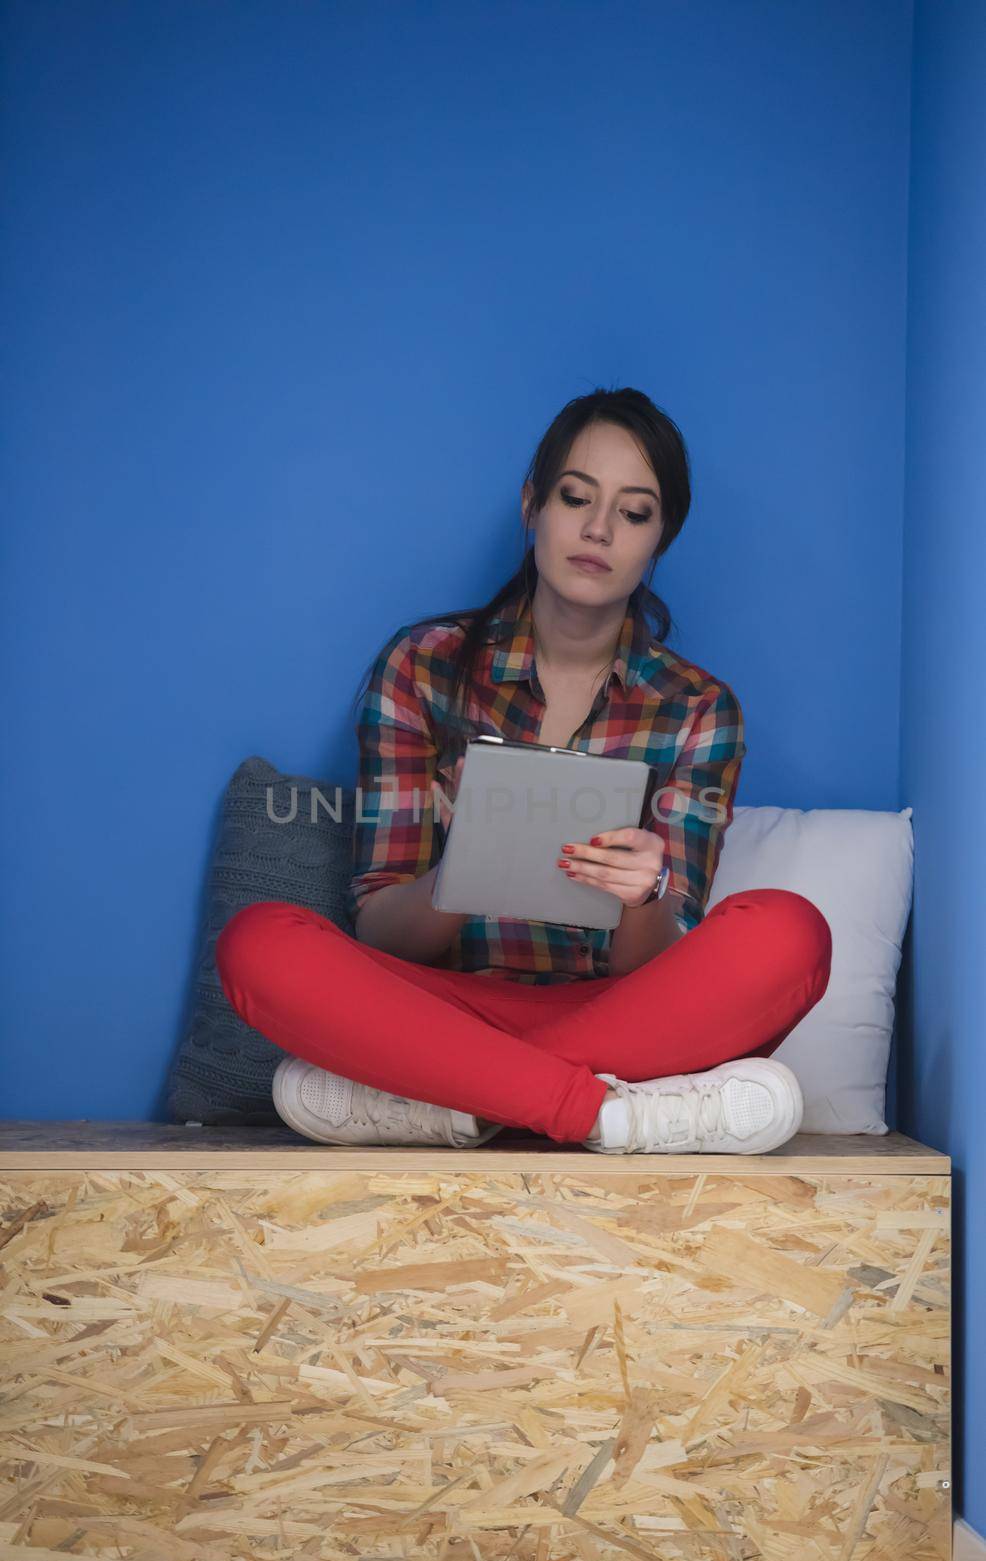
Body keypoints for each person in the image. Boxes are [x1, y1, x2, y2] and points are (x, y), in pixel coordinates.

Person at [215, 387, 832, 1154]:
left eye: (634, 513)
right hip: (442, 1010)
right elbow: (384, 934)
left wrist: (645, 894)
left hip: (617, 1013)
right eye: (576, 498)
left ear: (658, 540)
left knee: (791, 933)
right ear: (532, 506)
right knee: (259, 943)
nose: (599, 529)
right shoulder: (423, 666)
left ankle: (452, 1100)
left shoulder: (699, 708)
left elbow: (658, 968)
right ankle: (601, 1115)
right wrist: (462, 866)